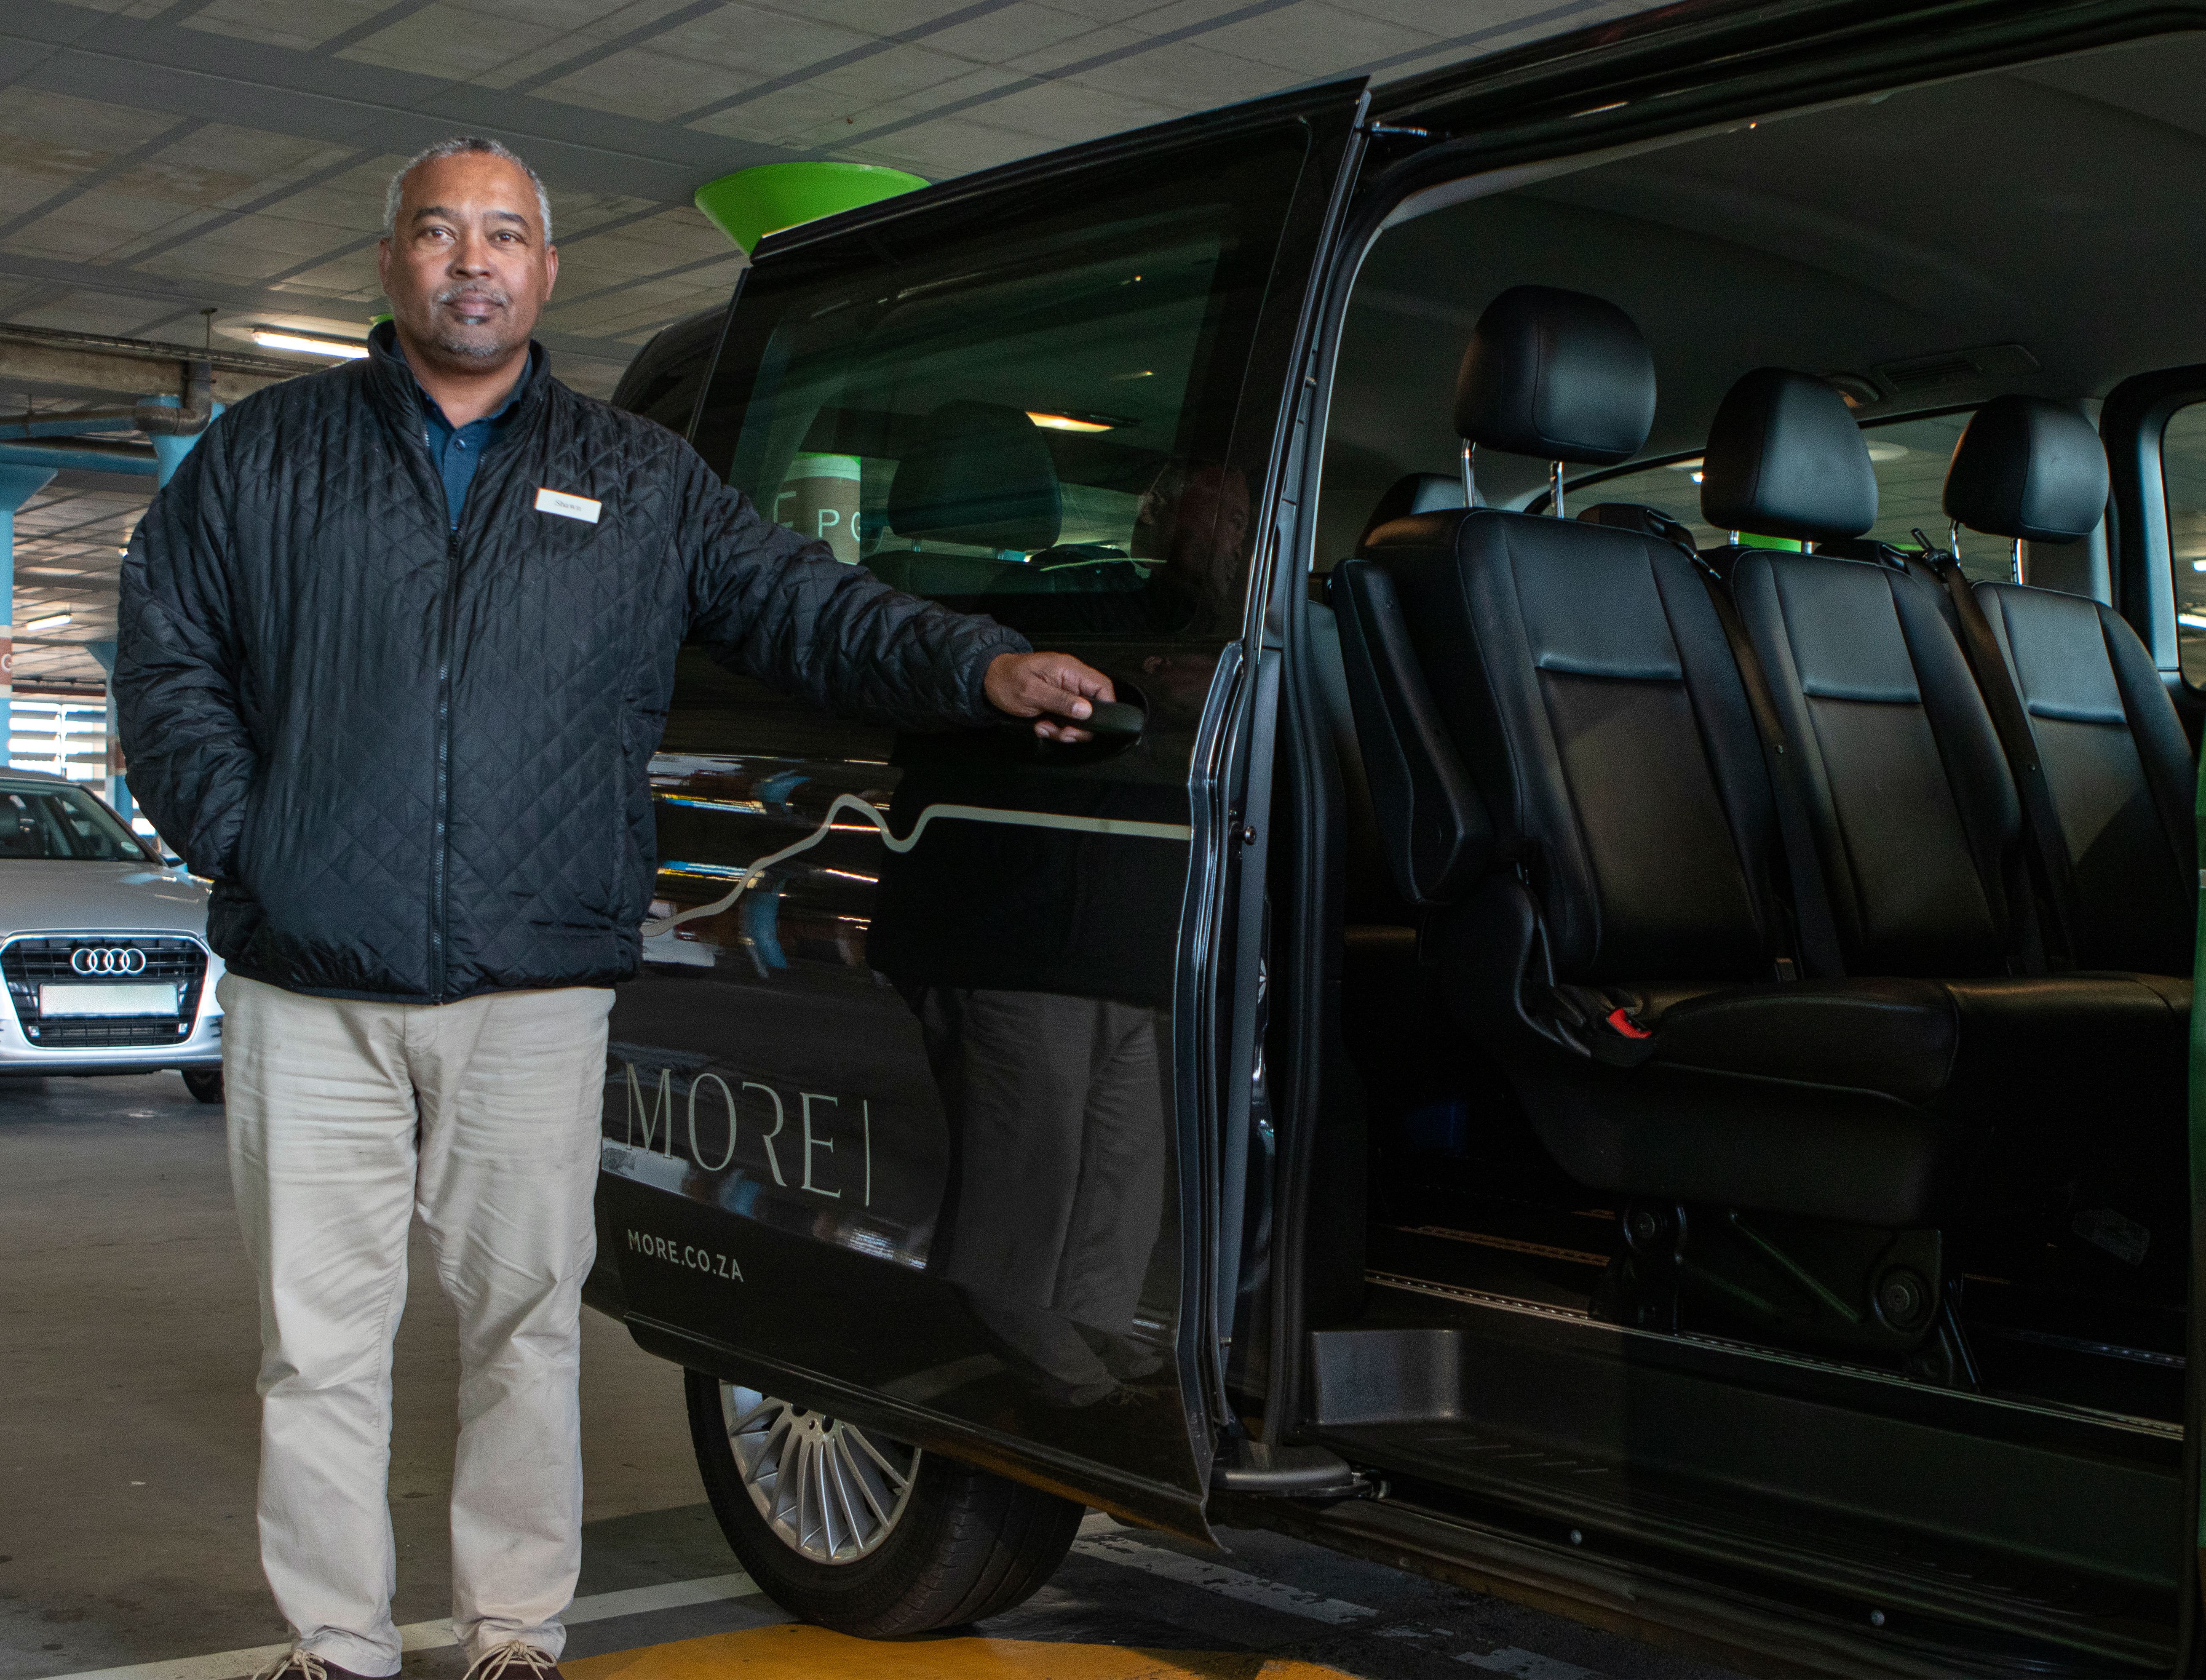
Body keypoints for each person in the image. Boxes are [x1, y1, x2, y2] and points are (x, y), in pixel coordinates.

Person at [113, 136, 1112, 1680]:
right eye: (440, 231)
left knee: (524, 1327)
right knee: (316, 1343)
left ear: (546, 270)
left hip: (534, 983)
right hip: (311, 983)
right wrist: (260, 845)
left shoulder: (638, 475)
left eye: (504, 235)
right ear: (392, 259)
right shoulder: (266, 454)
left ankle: (513, 1631)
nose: (473, 262)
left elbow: (804, 604)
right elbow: (166, 651)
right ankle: (337, 1640)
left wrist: (977, 665)